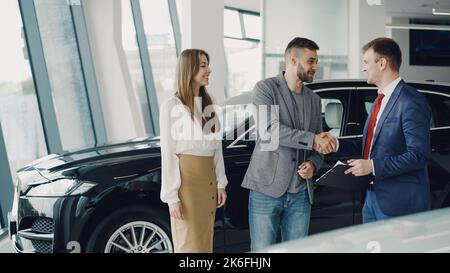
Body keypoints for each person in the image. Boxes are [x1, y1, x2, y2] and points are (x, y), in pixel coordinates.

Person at [320, 37, 432, 223]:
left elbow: (419, 155)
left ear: (382, 63)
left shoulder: (411, 101)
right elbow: (369, 146)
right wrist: (336, 143)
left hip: (398, 203)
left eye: (366, 62)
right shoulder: (378, 101)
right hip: (372, 198)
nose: (363, 68)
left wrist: (373, 166)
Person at [241, 37, 336, 251]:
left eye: (316, 62)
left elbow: (318, 144)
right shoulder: (266, 89)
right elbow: (269, 131)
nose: (315, 67)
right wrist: (312, 140)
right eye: (311, 61)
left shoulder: (314, 99)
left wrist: (313, 163)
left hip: (301, 194)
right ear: (293, 59)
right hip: (266, 189)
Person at [159, 49, 228, 252]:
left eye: (208, 64)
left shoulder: (209, 102)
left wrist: (220, 183)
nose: (209, 70)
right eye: (204, 65)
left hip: (208, 182)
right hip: (187, 185)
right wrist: (172, 198)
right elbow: (168, 153)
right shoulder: (171, 105)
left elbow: (217, 148)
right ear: (189, 69)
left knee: (205, 242)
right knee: (189, 243)